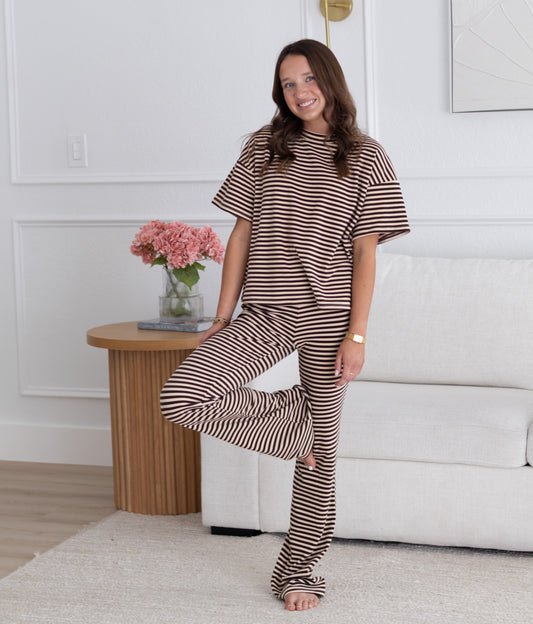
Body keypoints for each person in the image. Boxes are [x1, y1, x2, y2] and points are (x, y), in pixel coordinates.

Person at [160, 39, 409, 612]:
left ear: (329, 79)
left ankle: (297, 571)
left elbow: (366, 253)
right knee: (184, 397)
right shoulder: (263, 147)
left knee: (322, 467)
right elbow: (241, 235)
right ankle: (297, 432)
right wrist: (222, 318)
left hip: (330, 320)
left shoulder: (366, 156)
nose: (299, 92)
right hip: (264, 313)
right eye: (287, 84)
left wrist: (358, 334)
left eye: (306, 79)